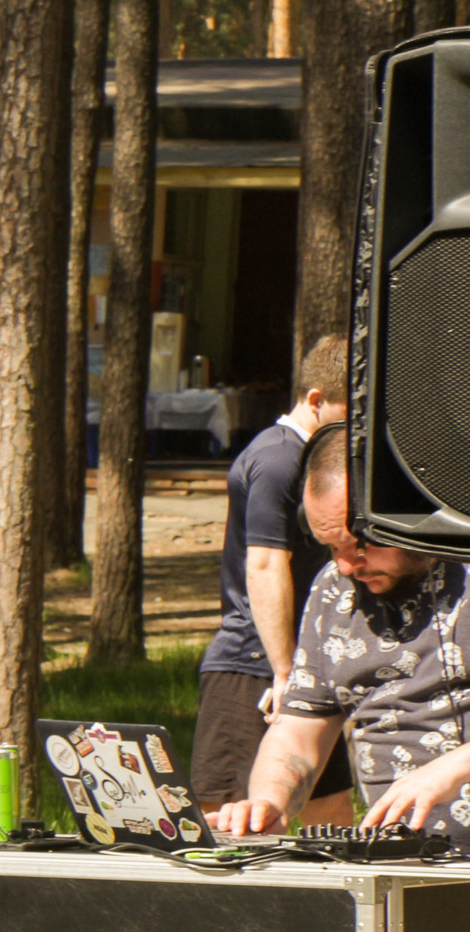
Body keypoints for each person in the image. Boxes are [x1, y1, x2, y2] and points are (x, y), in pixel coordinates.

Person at [211, 424, 470, 845]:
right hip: (401, 861)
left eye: (361, 545)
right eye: (332, 548)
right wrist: (268, 802)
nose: (348, 566)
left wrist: (453, 769)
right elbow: (297, 730)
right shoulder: (335, 589)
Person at [192, 335, 355, 821]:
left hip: (302, 665)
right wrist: (285, 673)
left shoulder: (310, 458)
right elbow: (264, 565)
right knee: (227, 816)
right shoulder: (280, 458)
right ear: (314, 401)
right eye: (350, 412)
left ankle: (343, 895)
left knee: (330, 808)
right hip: (250, 663)